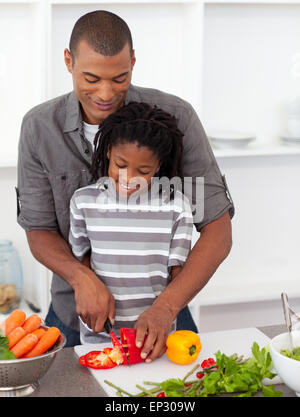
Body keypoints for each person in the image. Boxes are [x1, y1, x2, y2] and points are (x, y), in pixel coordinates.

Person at [16, 10, 234, 358]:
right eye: (90, 78)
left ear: (133, 61)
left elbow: (218, 229)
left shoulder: (176, 118)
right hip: (73, 318)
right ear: (68, 61)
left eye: (120, 78)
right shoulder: (40, 128)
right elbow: (38, 229)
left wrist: (167, 307)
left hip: (164, 320)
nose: (105, 93)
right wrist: (80, 276)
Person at [69, 101, 194, 360]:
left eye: (144, 170)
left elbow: (178, 274)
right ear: (107, 152)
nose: (128, 178)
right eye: (120, 164)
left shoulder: (176, 207)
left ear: (159, 166)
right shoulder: (83, 202)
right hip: (100, 339)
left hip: (154, 339)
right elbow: (82, 261)